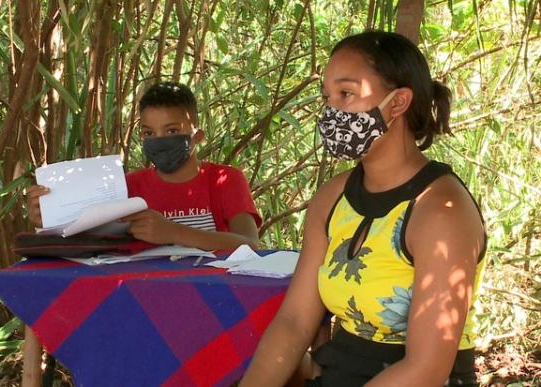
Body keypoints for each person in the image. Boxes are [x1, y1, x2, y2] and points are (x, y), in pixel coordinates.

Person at [239, 31, 487, 386]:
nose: (331, 111)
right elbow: (294, 323)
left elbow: (426, 370)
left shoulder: (440, 212)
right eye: (327, 97)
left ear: (398, 102)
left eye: (347, 93)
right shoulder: (332, 198)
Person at [27, 81, 261, 251]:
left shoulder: (225, 179)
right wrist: (50, 218)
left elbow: (250, 243)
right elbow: (87, 239)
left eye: (172, 131)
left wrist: (173, 232)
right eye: (149, 133)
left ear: (197, 136)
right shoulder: (126, 186)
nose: (159, 139)